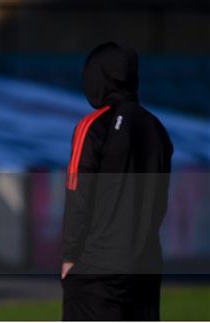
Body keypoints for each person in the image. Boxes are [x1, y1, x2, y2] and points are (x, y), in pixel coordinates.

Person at [61, 42, 173, 320]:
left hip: (98, 266)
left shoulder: (94, 125)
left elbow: (78, 194)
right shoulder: (156, 127)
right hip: (146, 263)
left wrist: (70, 256)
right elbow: (159, 201)